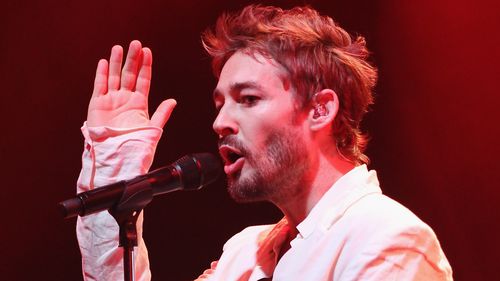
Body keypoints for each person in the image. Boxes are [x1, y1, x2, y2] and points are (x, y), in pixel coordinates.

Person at [76, 5, 453, 281]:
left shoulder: (387, 239)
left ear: (320, 110)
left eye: (249, 99)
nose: (220, 123)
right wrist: (112, 170)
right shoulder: (244, 253)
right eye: (220, 104)